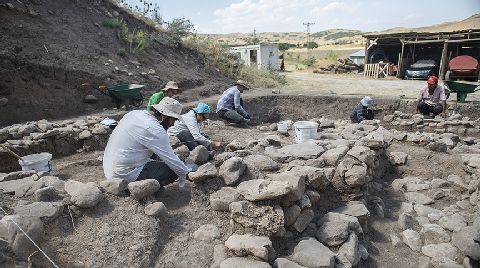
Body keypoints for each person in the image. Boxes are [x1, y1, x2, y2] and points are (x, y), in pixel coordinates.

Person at [103, 97, 190, 187]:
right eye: (173, 119)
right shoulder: (155, 129)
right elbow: (172, 161)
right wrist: (190, 175)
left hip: (110, 169)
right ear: (165, 116)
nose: (172, 124)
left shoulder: (134, 114)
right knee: (177, 167)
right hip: (124, 175)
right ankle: (142, 189)